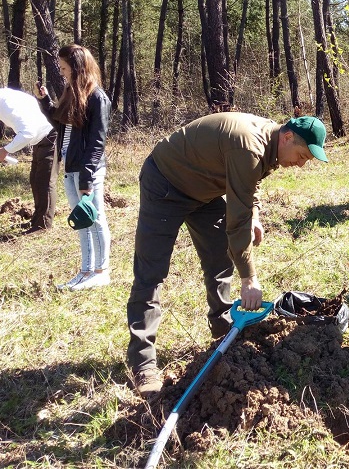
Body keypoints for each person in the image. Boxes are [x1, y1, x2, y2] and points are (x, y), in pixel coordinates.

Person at [126, 113, 328, 396]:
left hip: (202, 191)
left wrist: (254, 213)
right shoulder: (249, 144)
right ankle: (142, 363)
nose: (301, 164)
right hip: (166, 183)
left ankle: (223, 326)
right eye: (302, 155)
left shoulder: (270, 143)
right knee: (151, 272)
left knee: (219, 258)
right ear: (287, 137)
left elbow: (249, 183)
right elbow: (237, 223)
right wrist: (249, 279)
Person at [36, 45, 112, 290]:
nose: (62, 73)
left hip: (88, 171)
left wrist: (87, 180)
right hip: (71, 167)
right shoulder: (71, 93)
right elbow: (60, 123)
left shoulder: (98, 98)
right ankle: (86, 271)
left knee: (95, 219)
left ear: (77, 67)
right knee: (82, 221)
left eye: (64, 68)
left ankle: (102, 271)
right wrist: (44, 100)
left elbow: (97, 142)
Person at [0, 87, 58, 233]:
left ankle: (43, 225)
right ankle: (37, 220)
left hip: (49, 135)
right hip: (40, 138)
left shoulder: (6, 105)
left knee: (44, 181)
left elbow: (27, 132)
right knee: (35, 179)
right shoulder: (5, 95)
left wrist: (5, 150)